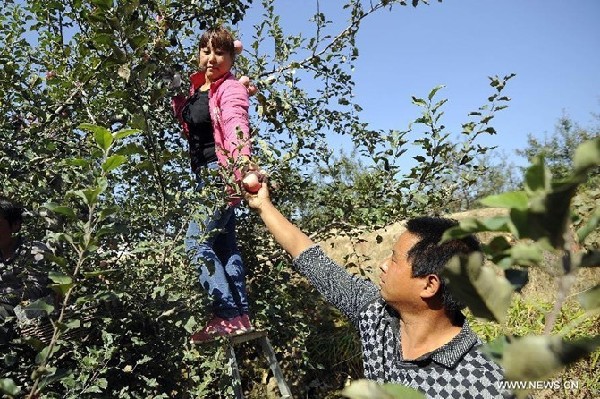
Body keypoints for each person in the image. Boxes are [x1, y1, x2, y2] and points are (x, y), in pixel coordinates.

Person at [243, 178, 512, 398]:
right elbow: (314, 261)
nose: (382, 266)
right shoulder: (376, 316)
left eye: (394, 259)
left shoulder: (487, 383)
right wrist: (263, 205)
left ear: (430, 284)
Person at [171, 26, 254, 343]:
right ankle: (240, 314)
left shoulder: (230, 90)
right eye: (206, 50)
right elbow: (191, 123)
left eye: (220, 52)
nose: (211, 57)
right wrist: (178, 94)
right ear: (198, 54)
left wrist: (242, 163)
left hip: (220, 171)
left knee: (194, 244)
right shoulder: (199, 90)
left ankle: (226, 315)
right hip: (205, 173)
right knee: (224, 246)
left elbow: (236, 125)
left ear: (232, 57)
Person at [0, 196, 53, 344]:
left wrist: (5, 297)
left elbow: (38, 289)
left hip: (28, 314)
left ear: (15, 225)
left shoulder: (34, 250)